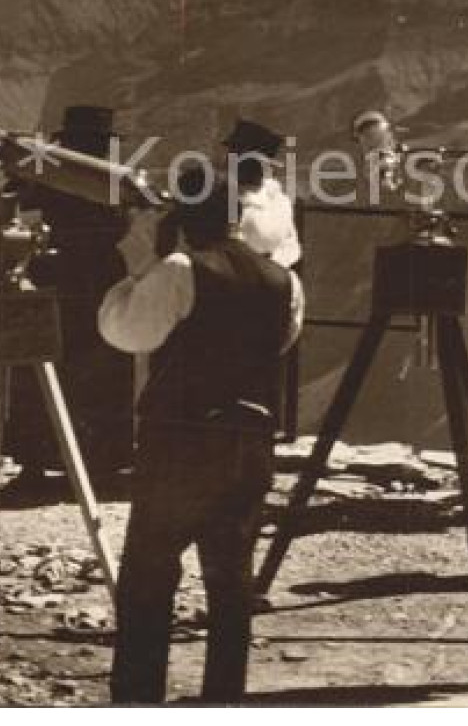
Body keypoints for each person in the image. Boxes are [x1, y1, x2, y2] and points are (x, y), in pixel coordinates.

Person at [98, 171, 303, 704]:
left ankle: (138, 700)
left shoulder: (181, 271)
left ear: (184, 220)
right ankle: (223, 701)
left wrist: (137, 271)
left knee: (149, 569)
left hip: (182, 441)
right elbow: (281, 342)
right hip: (251, 438)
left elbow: (125, 331)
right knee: (231, 579)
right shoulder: (284, 280)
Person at [6, 105, 134, 487]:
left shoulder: (52, 174)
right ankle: (102, 460)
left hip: (55, 269)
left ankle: (34, 459)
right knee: (102, 367)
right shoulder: (111, 179)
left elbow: (17, 198)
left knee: (40, 360)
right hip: (101, 275)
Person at [221, 119, 301, 269]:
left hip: (268, 278)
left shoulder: (280, 202)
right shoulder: (218, 197)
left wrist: (269, 268)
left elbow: (291, 247)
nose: (228, 160)